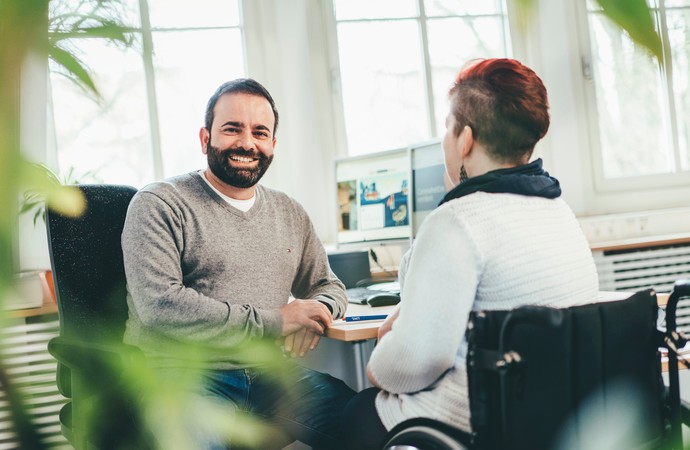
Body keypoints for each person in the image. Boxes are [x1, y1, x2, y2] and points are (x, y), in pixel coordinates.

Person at [340, 58, 600, 449]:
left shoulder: (458, 221)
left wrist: (379, 359)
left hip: (479, 419)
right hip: (554, 415)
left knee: (353, 414)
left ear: (465, 139)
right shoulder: (557, 209)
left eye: (448, 127)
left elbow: (415, 363)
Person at [121, 78, 355, 449]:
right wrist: (279, 321)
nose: (247, 143)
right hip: (182, 377)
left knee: (363, 420)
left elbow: (329, 286)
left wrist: (314, 313)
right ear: (205, 138)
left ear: (272, 145)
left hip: (269, 376)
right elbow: (161, 306)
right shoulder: (160, 204)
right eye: (232, 129)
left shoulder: (289, 212)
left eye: (260, 132)